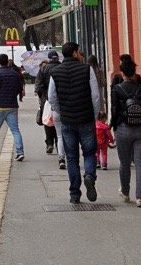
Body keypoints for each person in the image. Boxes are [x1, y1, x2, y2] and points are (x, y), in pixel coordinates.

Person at [48, 41, 102, 204]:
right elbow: (95, 96)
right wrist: (93, 114)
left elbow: (52, 97)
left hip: (67, 120)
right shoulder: (87, 69)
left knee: (71, 157)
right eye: (78, 51)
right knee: (89, 152)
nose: (80, 54)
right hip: (86, 118)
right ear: (74, 53)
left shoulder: (55, 72)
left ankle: (74, 193)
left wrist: (61, 111)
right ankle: (90, 176)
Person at [110, 54, 141, 206]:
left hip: (123, 129)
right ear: (134, 73)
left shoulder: (117, 89)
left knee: (124, 163)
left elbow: (114, 110)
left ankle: (125, 191)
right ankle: (140, 198)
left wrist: (114, 127)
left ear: (122, 73)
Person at [0, 53, 26, 161]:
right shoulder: (15, 74)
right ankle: (20, 152)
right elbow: (19, 88)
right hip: (12, 106)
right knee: (15, 130)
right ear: (7, 62)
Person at [35, 51, 61, 159]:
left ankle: (49, 142)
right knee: (59, 122)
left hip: (46, 100)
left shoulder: (43, 69)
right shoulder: (61, 67)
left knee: (47, 120)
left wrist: (43, 96)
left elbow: (38, 85)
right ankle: (59, 143)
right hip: (60, 99)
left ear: (49, 58)